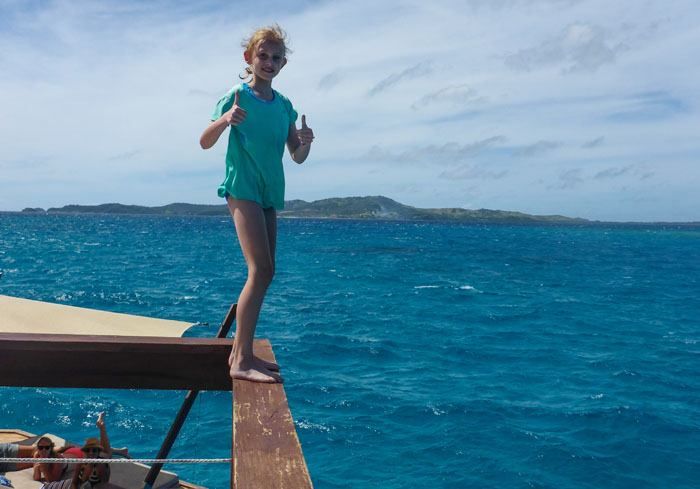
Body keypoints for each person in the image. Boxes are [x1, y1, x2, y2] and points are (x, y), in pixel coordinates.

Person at [200, 24, 314, 383]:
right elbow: (204, 141)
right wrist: (225, 119)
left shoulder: (284, 106)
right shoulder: (237, 96)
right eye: (262, 55)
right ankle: (241, 360)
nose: (269, 62)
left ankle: (241, 353)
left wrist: (306, 141)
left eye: (276, 57)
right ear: (248, 58)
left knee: (268, 272)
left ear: (283, 63)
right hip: (242, 188)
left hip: (268, 193)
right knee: (260, 270)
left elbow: (296, 155)